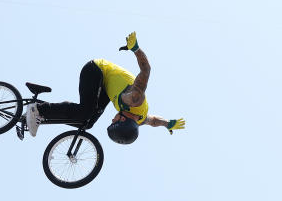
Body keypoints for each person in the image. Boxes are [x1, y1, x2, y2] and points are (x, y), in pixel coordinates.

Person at [25, 32, 185, 144]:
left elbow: (154, 121)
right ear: (123, 119)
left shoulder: (139, 120)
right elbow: (146, 70)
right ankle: (39, 109)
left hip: (107, 89)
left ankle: (40, 116)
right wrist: (135, 49)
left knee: (87, 123)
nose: (112, 118)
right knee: (86, 111)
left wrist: (168, 124)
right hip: (97, 69)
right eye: (114, 121)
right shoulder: (134, 99)